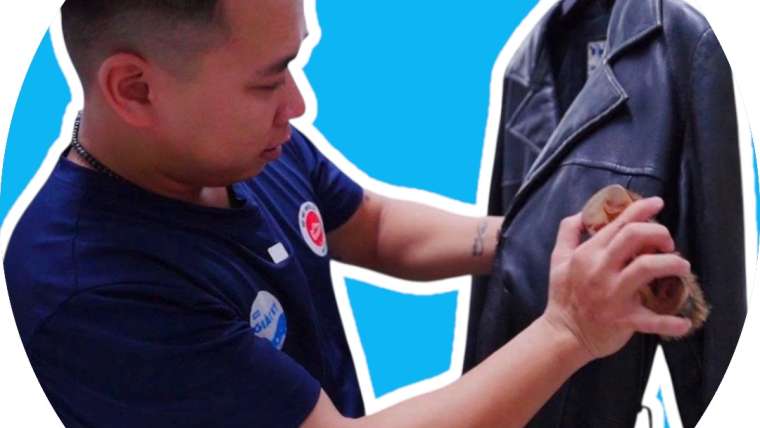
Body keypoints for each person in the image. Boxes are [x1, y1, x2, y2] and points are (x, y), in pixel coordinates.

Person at [3, 0, 692, 427]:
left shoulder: (231, 149)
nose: (297, 104)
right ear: (134, 88)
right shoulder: (90, 289)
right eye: (267, 80)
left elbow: (375, 228)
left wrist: (531, 236)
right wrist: (570, 330)